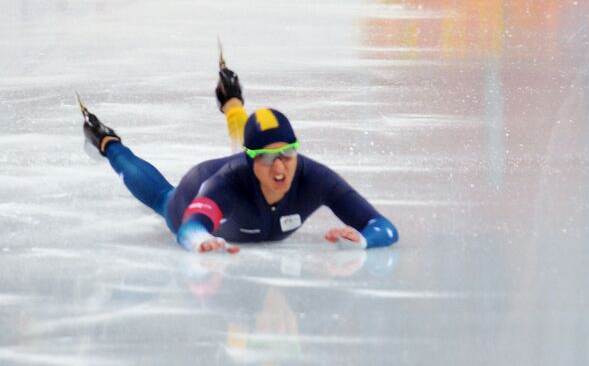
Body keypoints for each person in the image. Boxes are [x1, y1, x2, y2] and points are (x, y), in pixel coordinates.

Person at [81, 60, 399, 253]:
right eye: (266, 157)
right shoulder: (225, 186)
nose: (280, 166)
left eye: (288, 154)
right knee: (163, 198)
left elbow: (383, 227)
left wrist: (363, 239)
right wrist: (201, 240)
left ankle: (231, 102)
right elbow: (190, 229)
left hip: (245, 170)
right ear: (251, 161)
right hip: (201, 183)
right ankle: (109, 142)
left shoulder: (315, 177)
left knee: (258, 145)